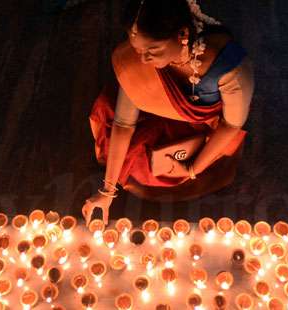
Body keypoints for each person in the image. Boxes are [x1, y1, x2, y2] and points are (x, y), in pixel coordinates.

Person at [82, 0, 255, 225]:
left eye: (153, 50)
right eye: (137, 50)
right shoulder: (138, 61)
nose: (143, 59)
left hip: (204, 128)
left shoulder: (229, 66)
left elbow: (231, 125)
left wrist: (193, 168)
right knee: (135, 158)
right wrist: (106, 192)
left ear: (182, 34)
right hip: (153, 112)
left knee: (197, 168)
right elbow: (124, 124)